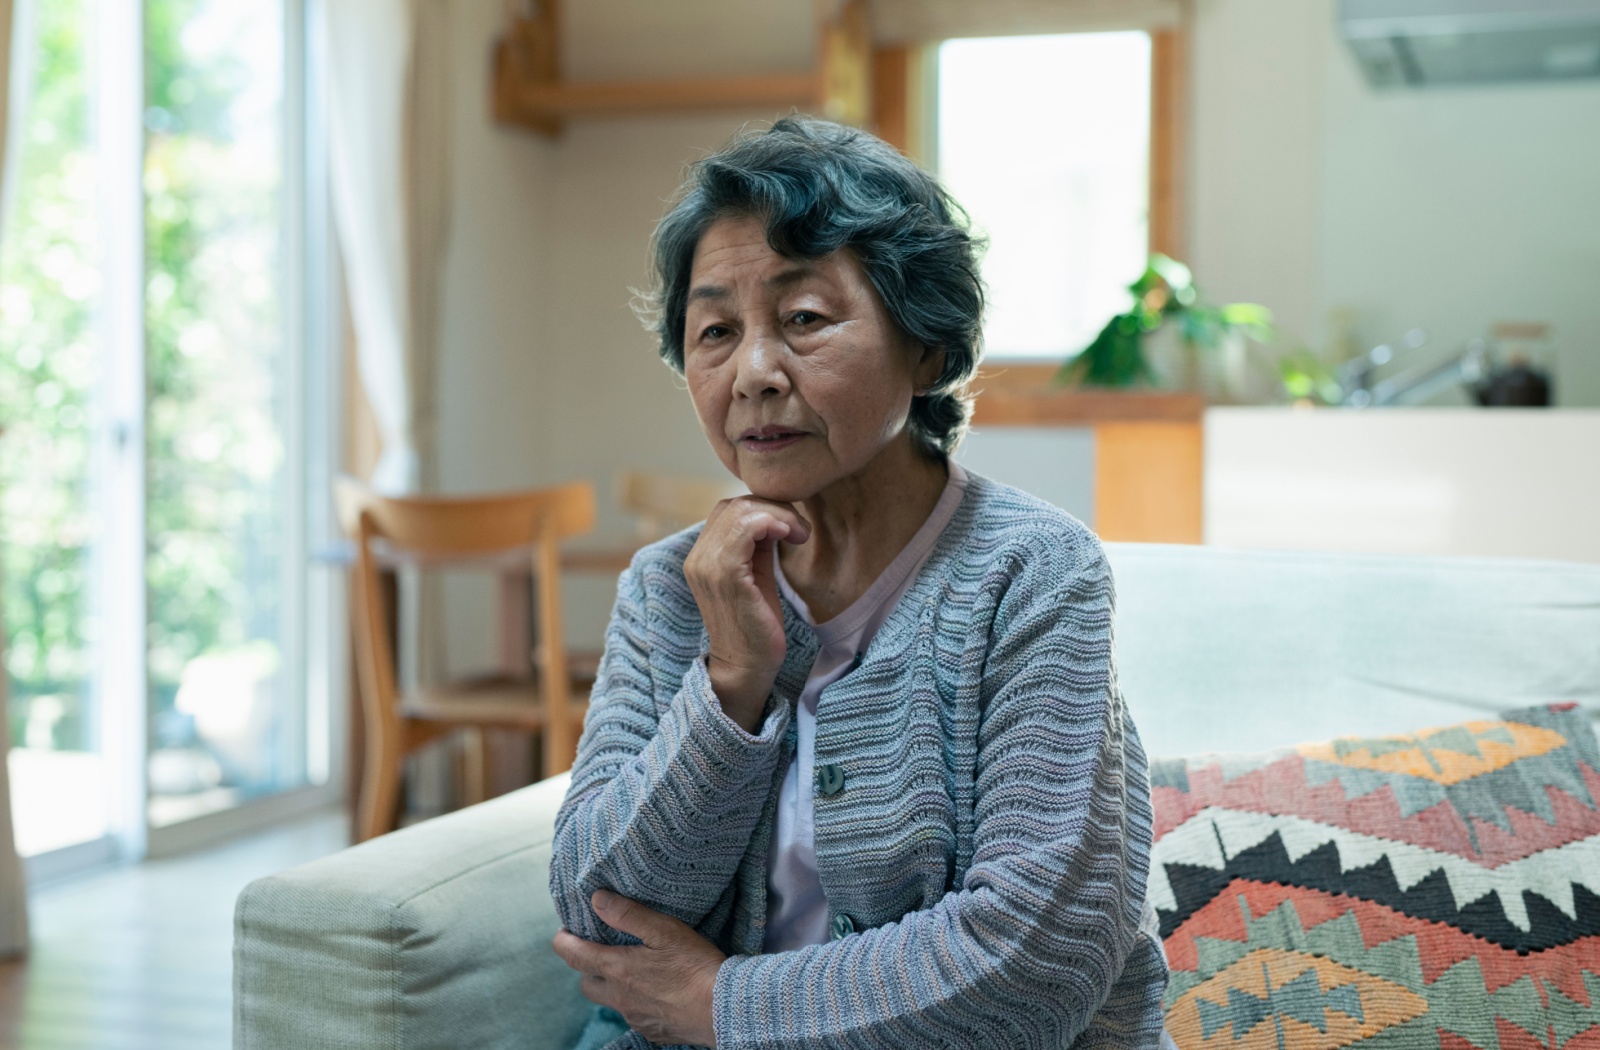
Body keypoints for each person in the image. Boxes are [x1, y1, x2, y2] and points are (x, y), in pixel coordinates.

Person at [549, 116, 1168, 1050]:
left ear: (924, 346)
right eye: (716, 331)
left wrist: (722, 1004)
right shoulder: (670, 589)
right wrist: (729, 686)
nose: (754, 373)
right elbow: (596, 912)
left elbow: (1037, 961)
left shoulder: (1033, 573)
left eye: (803, 319)